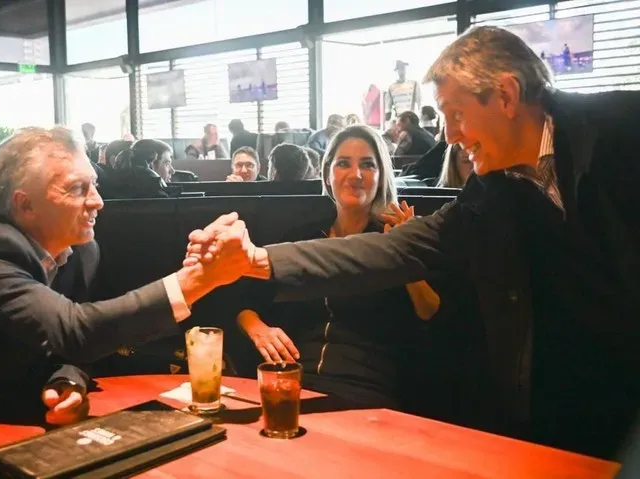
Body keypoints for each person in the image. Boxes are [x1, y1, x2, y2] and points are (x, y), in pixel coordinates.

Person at [185, 26, 640, 460]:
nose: (451, 136)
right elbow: (397, 250)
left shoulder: (621, 131)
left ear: (506, 95)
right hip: (567, 397)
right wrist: (257, 258)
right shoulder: (491, 189)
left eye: (456, 114)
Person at [0, 127, 252, 427]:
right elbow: (77, 331)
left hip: (24, 414)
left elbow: (84, 341)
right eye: (78, 189)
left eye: (94, 184)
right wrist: (198, 279)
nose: (98, 201)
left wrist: (68, 378)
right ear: (26, 205)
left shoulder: (81, 251)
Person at [236, 125, 441, 409]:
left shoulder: (394, 240)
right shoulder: (302, 236)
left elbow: (431, 312)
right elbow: (244, 300)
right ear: (328, 175)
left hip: (366, 390)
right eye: (344, 163)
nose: (355, 175)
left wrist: (405, 252)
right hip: (291, 379)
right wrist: (257, 328)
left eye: (368, 165)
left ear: (381, 177)